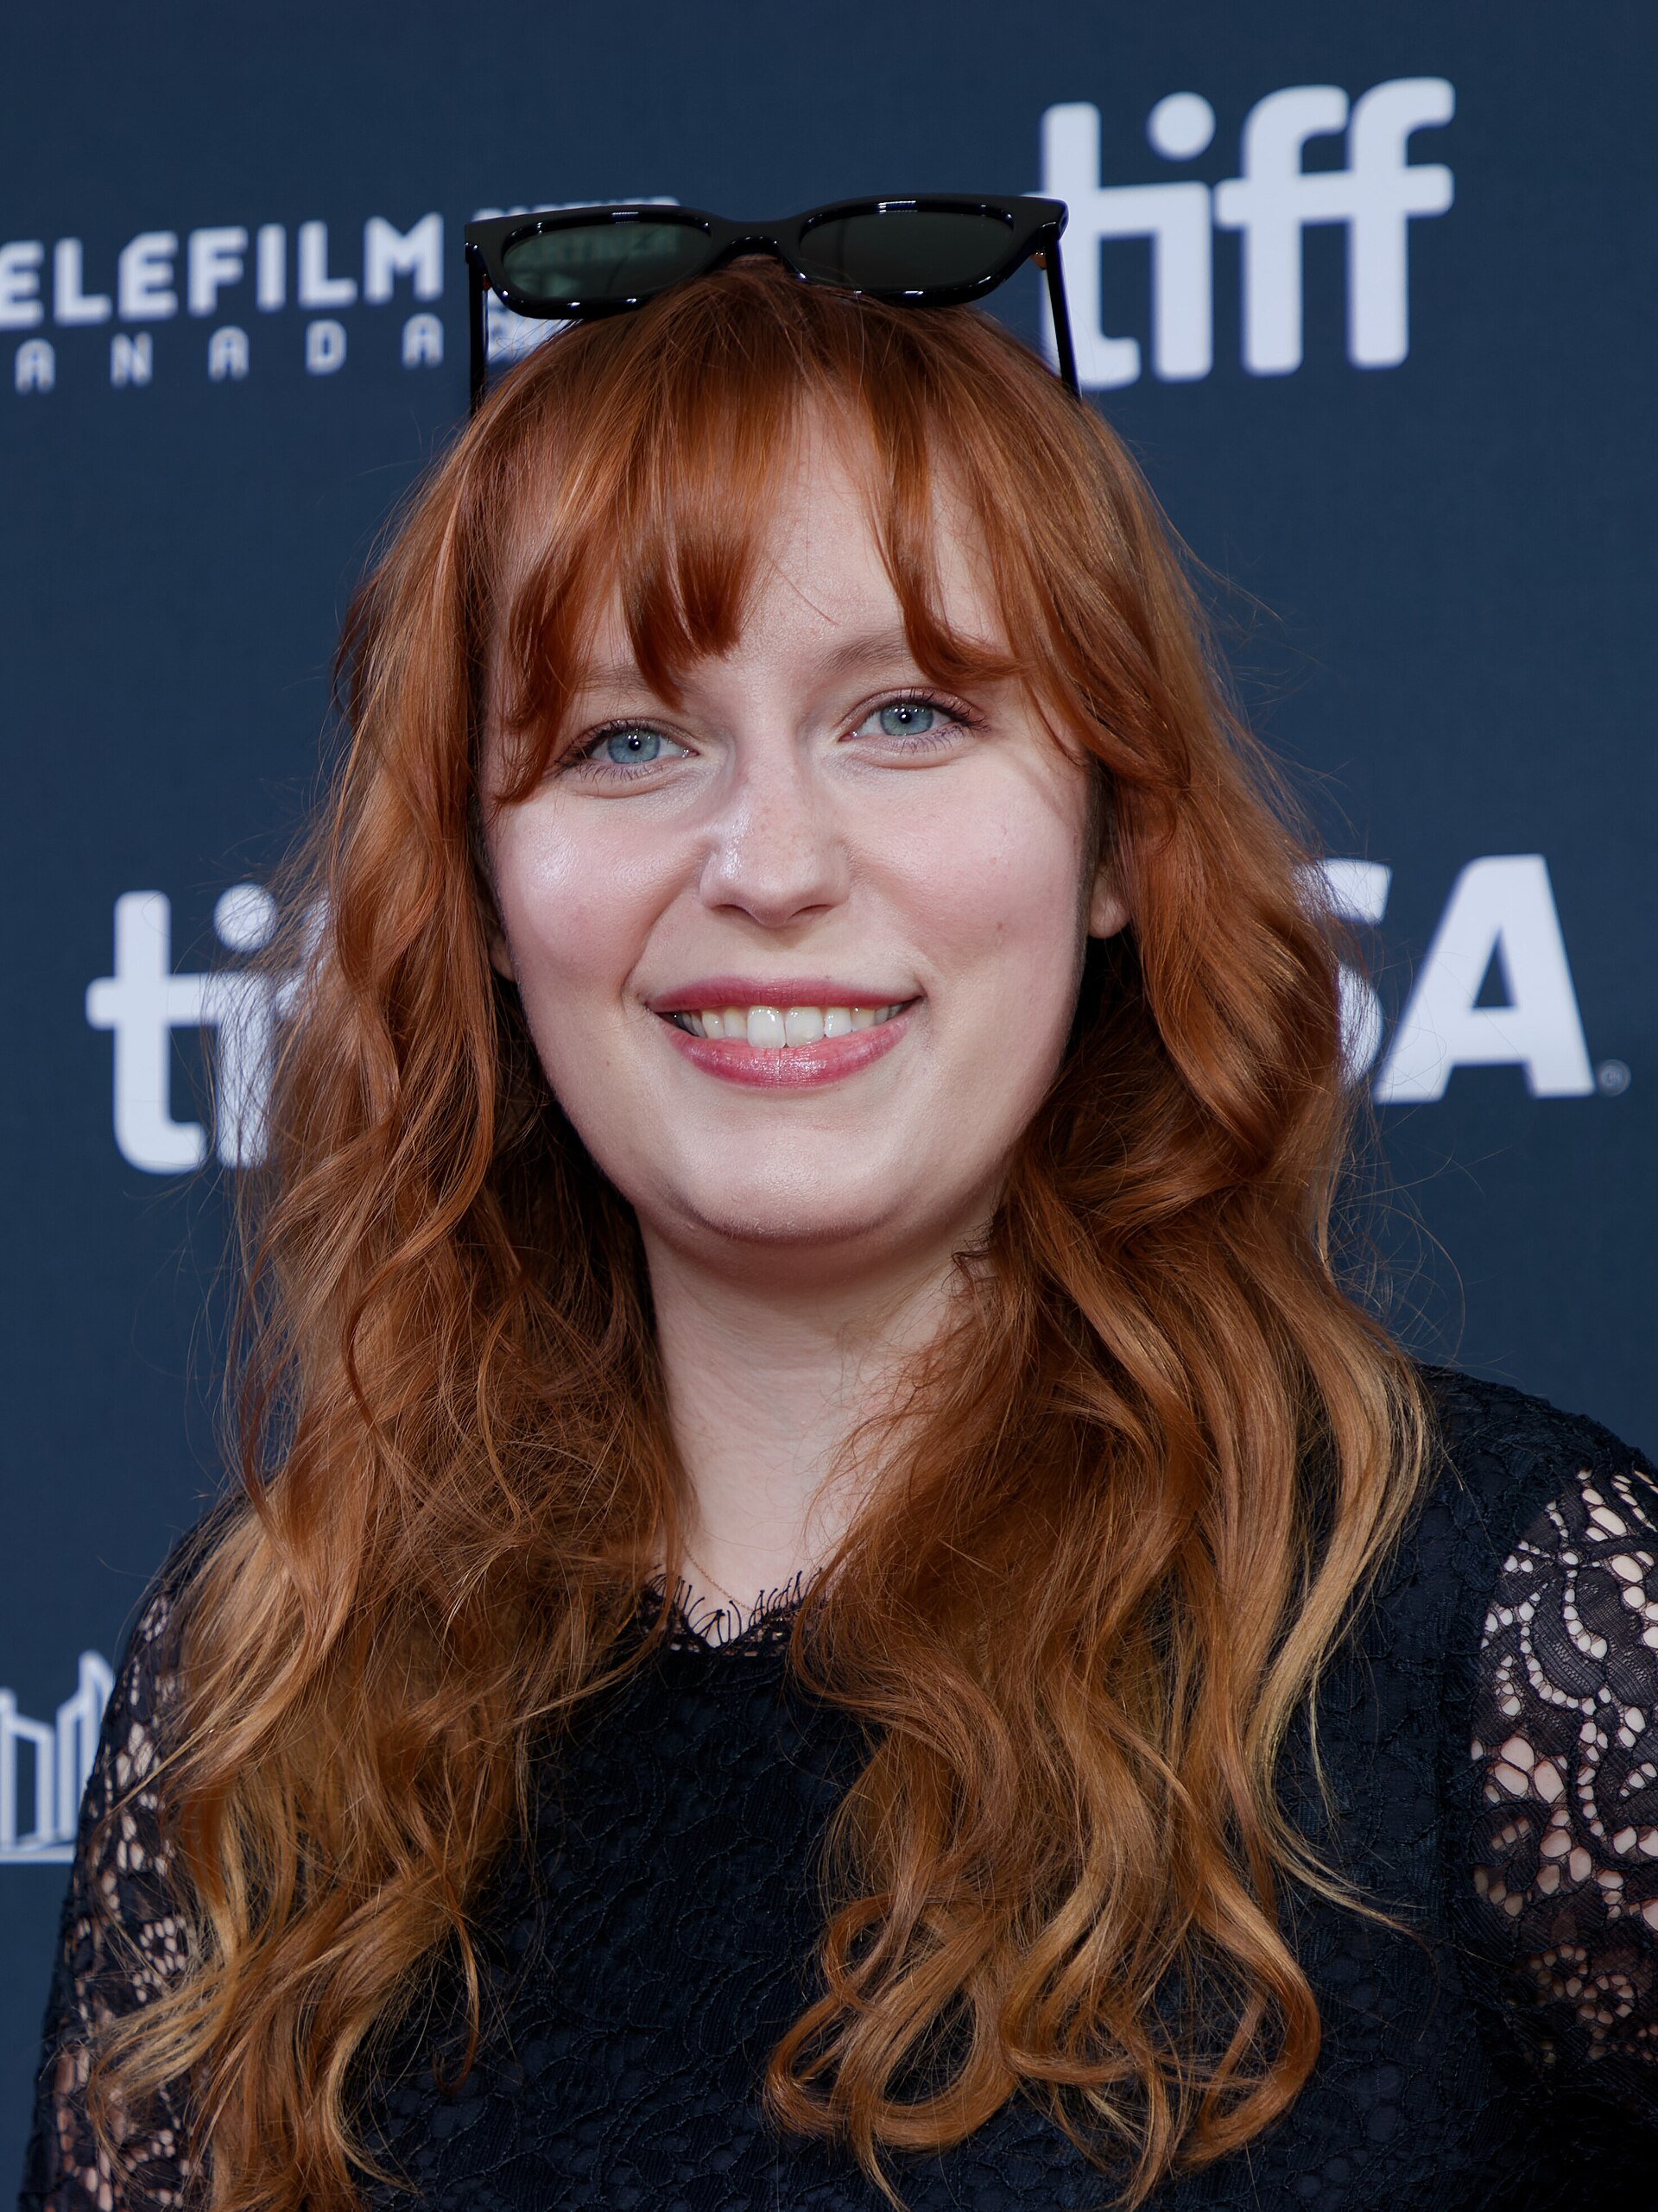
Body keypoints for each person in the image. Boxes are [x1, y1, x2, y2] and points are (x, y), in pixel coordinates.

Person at [20, 252, 1658, 2212]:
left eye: (906, 713)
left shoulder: (1500, 1627)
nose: (771, 864)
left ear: (1118, 837)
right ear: (476, 891)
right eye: (627, 740)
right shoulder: (263, 1689)